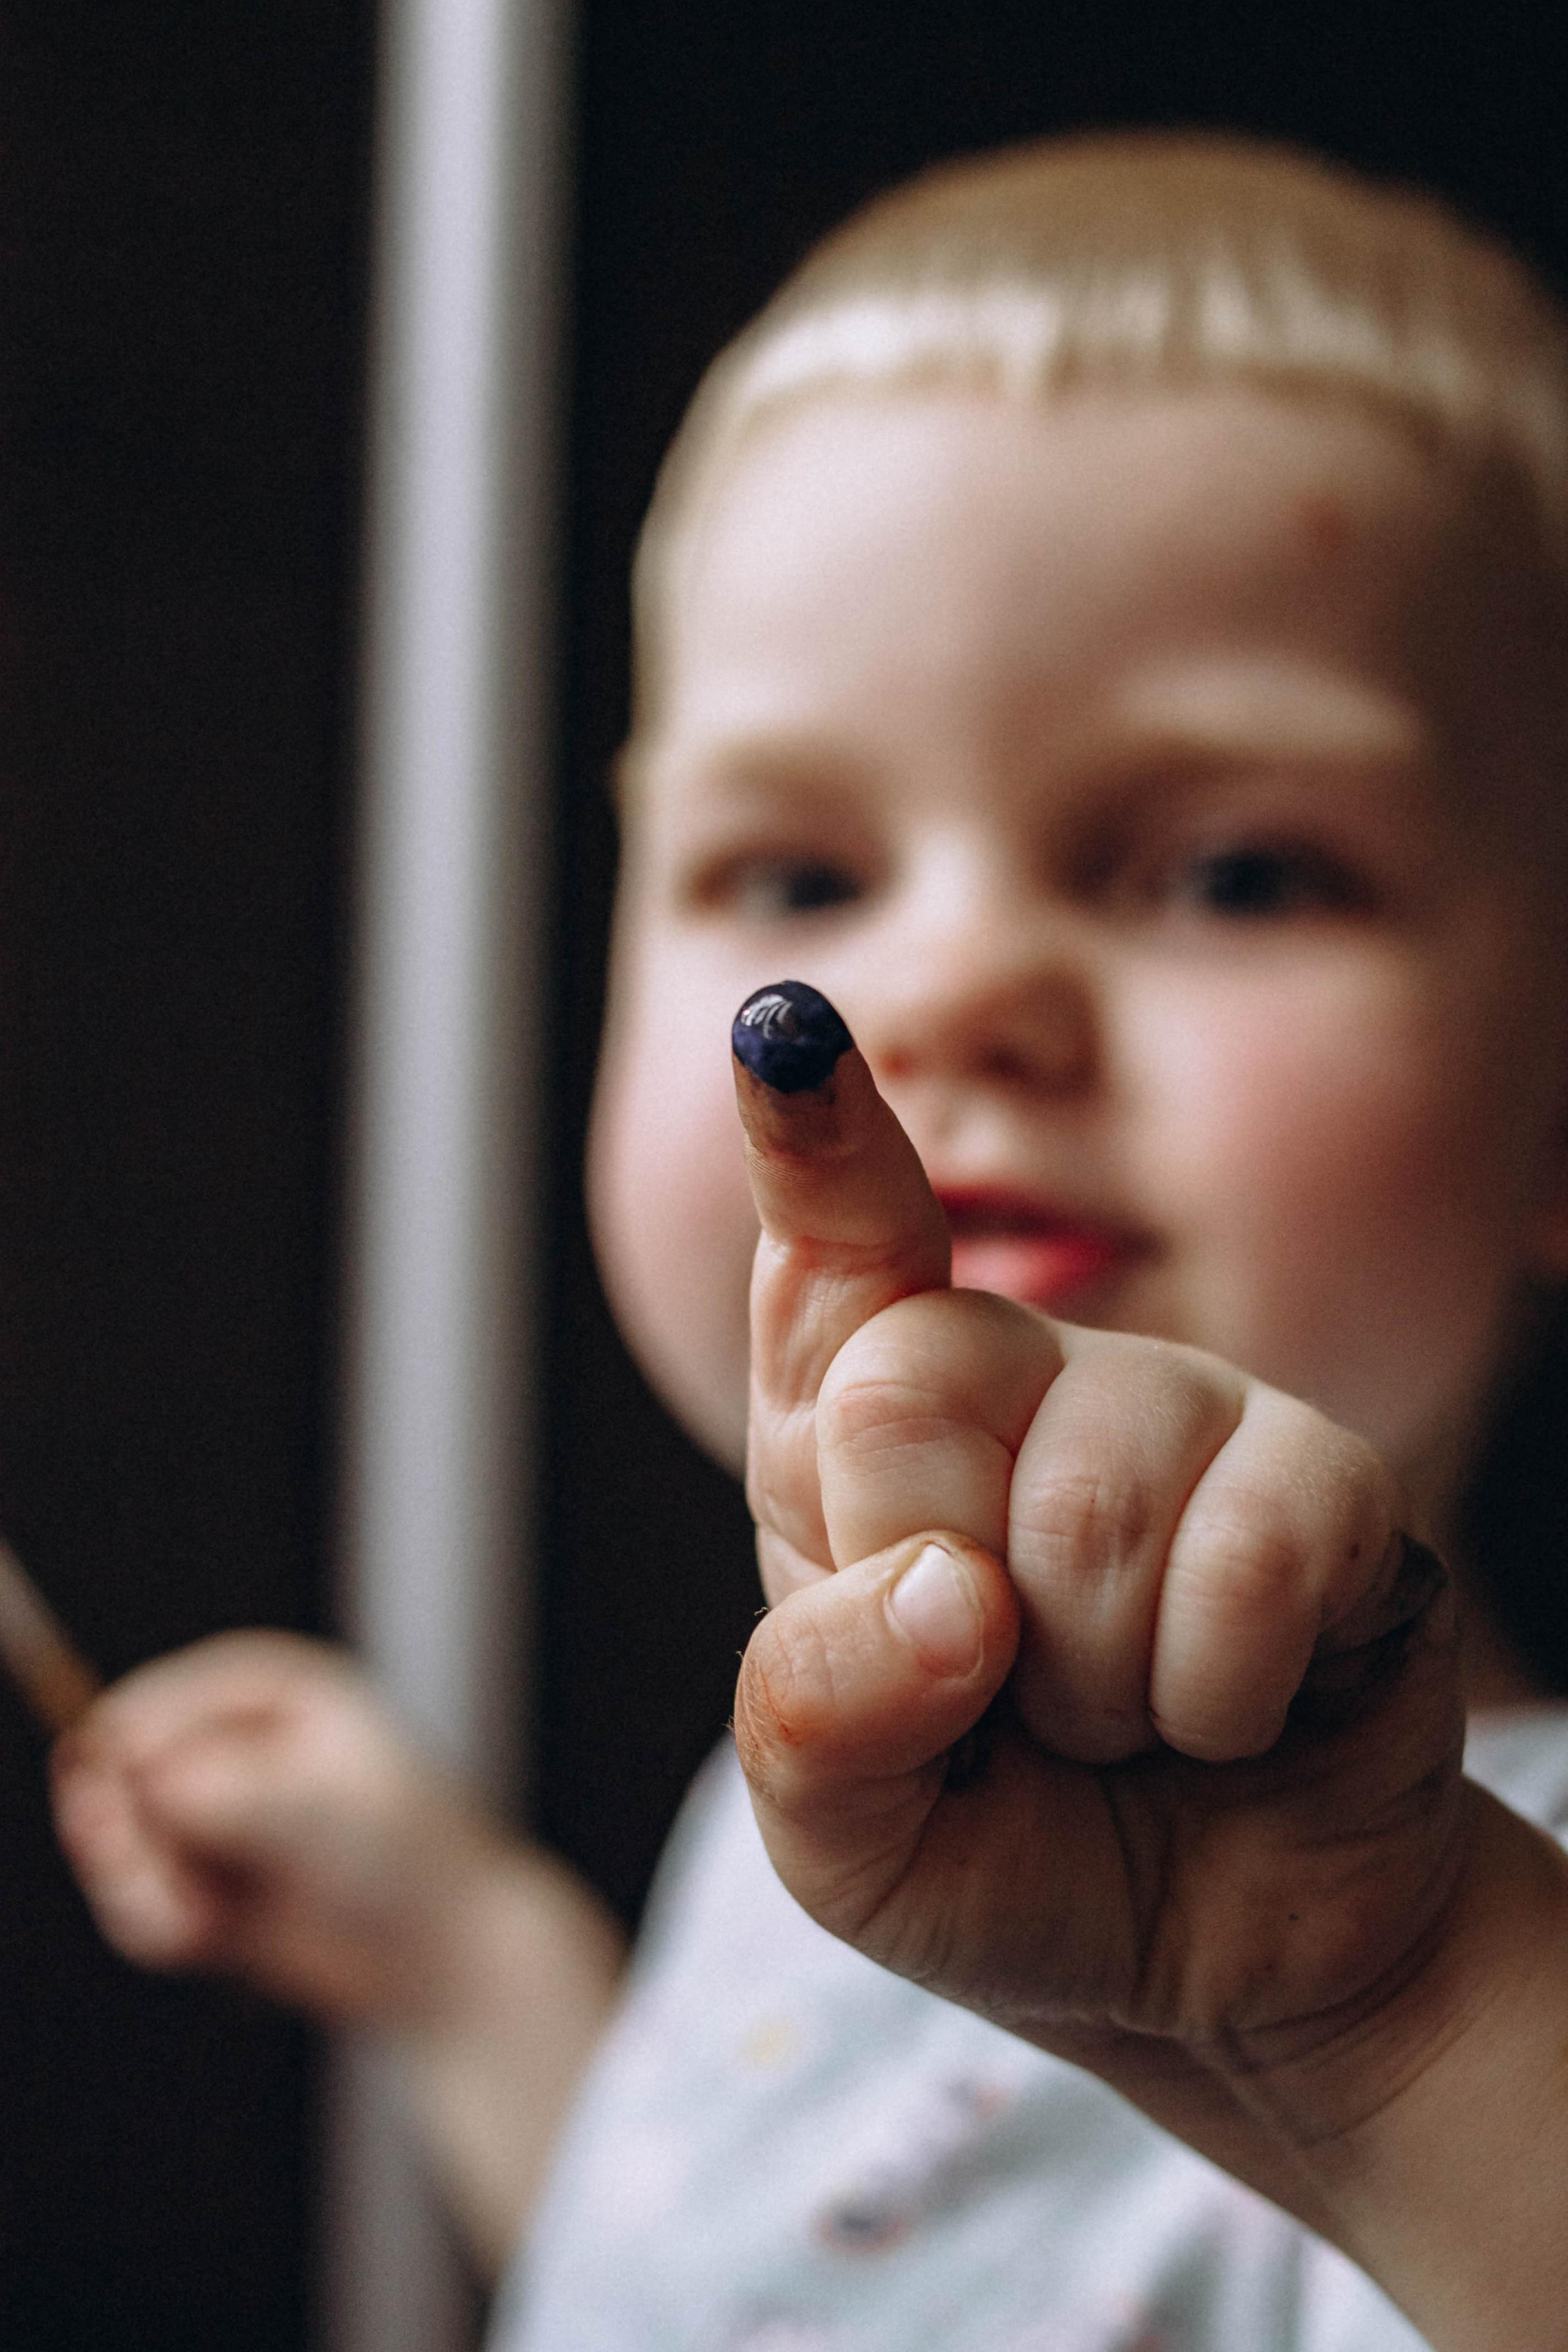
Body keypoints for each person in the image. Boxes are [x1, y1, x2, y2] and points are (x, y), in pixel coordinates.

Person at [50, 130, 1568, 2348]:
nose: (949, 991)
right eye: (794, 879)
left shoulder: (1505, 1944)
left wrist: (1412, 2018)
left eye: (1237, 873)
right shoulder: (809, 1789)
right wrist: (464, 1965)